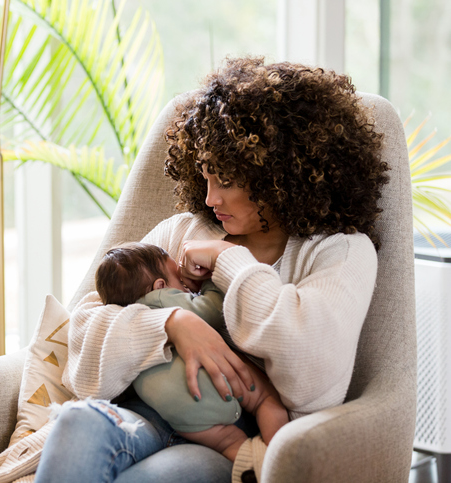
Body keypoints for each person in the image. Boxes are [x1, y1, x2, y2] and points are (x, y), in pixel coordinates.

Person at [34, 56, 389, 483]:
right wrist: (172, 322)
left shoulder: (340, 252)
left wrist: (226, 260)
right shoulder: (183, 230)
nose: (209, 198)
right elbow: (84, 333)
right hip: (140, 413)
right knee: (76, 423)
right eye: (205, 177)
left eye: (225, 180)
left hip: (227, 439)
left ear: (274, 174)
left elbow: (313, 376)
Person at [94, 242, 289, 464]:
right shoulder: (161, 299)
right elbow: (212, 310)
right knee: (266, 400)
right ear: (161, 285)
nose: (188, 287)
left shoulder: (125, 320)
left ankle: (250, 463)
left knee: (229, 442)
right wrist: (211, 282)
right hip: (207, 386)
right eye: (179, 279)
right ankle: (277, 461)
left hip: (176, 413)